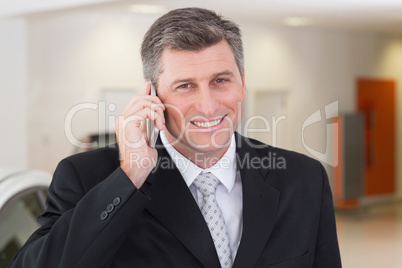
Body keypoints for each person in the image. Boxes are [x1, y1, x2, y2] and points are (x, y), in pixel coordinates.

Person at [9, 7, 341, 268]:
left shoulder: (304, 179)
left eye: (220, 80)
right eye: (185, 86)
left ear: (242, 81)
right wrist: (131, 176)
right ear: (152, 95)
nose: (208, 106)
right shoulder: (88, 178)